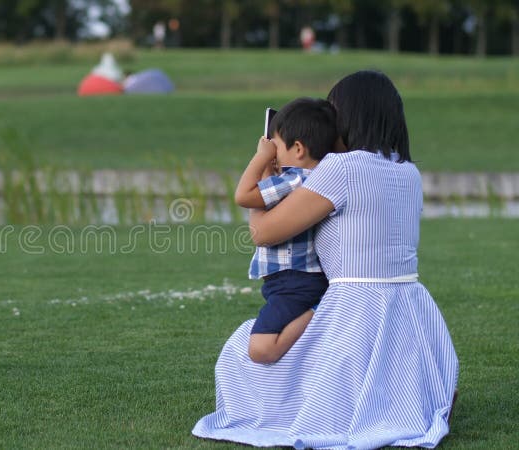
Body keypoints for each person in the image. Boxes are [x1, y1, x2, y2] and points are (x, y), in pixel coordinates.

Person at [193, 70, 458, 448]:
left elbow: (263, 233)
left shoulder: (342, 169)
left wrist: (268, 178)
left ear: (349, 117)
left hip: (353, 308)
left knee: (244, 352)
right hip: (410, 308)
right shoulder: (408, 171)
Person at [234, 98, 337, 364]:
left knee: (261, 348)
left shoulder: (296, 178)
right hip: (294, 280)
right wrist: (270, 170)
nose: (273, 152)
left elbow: (243, 196)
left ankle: (320, 311)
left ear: (298, 148)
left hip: (294, 282)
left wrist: (260, 157)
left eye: (276, 146)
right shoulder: (307, 179)